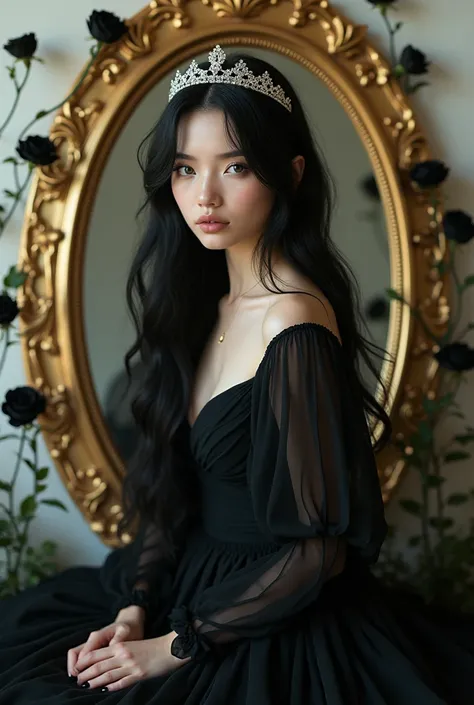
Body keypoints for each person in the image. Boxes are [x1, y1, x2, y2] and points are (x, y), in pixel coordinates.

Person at [0, 44, 473, 705]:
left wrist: (172, 645)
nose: (205, 195)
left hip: (266, 616)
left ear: (291, 172)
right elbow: (177, 493)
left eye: (237, 166)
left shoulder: (296, 327)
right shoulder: (204, 304)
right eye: (186, 169)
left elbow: (318, 551)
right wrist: (139, 603)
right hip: (187, 586)